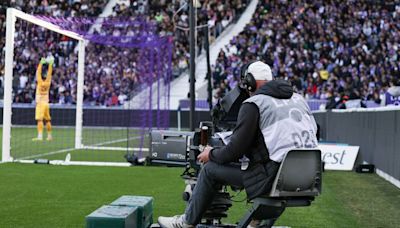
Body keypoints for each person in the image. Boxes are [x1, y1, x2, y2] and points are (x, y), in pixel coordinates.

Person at [158, 61, 318, 228]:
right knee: (263, 167)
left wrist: (210, 154)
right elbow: (313, 133)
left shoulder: (255, 103)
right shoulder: (300, 100)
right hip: (308, 179)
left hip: (274, 180)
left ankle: (186, 222)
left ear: (249, 82)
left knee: (209, 170)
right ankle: (257, 222)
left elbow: (234, 151)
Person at [32, 57, 54, 141]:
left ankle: (40, 136)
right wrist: (50, 65)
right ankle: (49, 136)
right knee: (48, 120)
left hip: (40, 103)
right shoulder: (48, 83)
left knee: (39, 120)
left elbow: (38, 72)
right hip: (46, 103)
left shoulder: (40, 82)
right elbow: (49, 73)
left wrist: (41, 63)